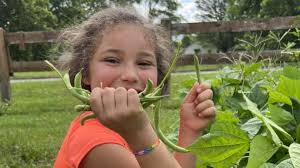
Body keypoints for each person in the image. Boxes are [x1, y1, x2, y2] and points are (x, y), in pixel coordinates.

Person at [54, 7, 215, 168]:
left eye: (144, 63)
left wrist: (189, 130)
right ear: (85, 73)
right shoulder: (100, 143)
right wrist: (140, 133)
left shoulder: (127, 127)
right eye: (112, 60)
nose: (130, 75)